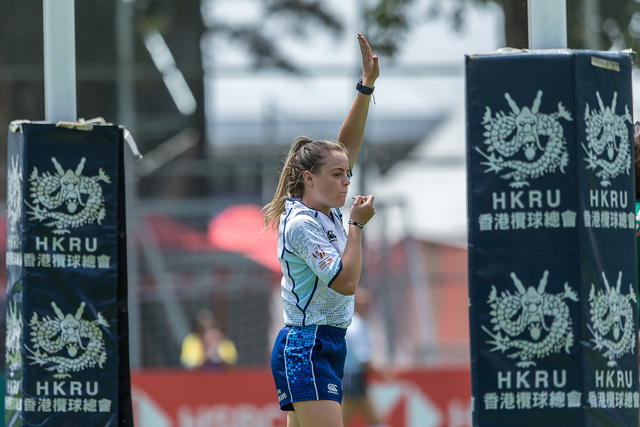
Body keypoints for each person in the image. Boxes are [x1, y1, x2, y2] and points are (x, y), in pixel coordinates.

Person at [263, 33, 380, 427]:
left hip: (326, 342)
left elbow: (344, 148)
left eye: (348, 175)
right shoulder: (301, 224)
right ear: (308, 178)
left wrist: (366, 88)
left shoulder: (324, 207)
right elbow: (345, 283)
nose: (347, 181)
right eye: (337, 175)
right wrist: (357, 227)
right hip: (306, 345)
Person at [342, 288, 390, 427]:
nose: (367, 307)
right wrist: (384, 374)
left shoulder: (352, 323)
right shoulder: (356, 325)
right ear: (354, 305)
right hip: (352, 380)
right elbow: (363, 359)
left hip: (351, 379)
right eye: (363, 304)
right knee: (376, 420)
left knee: (372, 419)